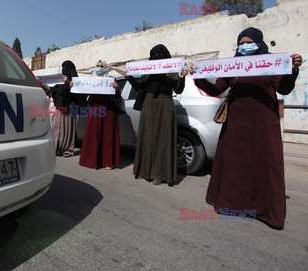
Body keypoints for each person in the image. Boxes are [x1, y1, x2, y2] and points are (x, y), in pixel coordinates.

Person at [189, 27, 303, 229]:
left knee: (264, 162)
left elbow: (284, 87)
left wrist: (292, 69)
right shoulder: (233, 65)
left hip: (263, 123)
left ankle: (265, 211)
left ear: (259, 43)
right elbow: (217, 88)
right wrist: (198, 77)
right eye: (240, 43)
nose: (244, 46)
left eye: (248, 42)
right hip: (236, 123)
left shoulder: (272, 62)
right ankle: (231, 205)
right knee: (235, 163)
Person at [126, 44, 187, 185]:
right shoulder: (147, 71)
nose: (156, 58)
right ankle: (144, 171)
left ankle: (159, 174)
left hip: (165, 103)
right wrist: (130, 77)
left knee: (162, 140)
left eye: (160, 56)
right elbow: (139, 86)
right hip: (148, 103)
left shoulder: (171, 70)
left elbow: (178, 89)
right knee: (146, 137)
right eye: (154, 55)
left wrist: (182, 77)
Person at [79, 60, 120, 170]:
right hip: (94, 109)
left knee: (107, 136)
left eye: (102, 66)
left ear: (105, 67)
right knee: (93, 133)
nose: (99, 67)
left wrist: (116, 88)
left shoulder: (111, 79)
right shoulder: (90, 80)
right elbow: (81, 92)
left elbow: (117, 96)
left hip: (108, 110)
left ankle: (108, 161)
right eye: (97, 65)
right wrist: (74, 85)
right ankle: (91, 160)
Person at [50, 60, 80, 157]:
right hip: (59, 108)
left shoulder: (75, 80)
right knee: (55, 127)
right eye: (63, 67)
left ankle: (67, 149)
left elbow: (77, 93)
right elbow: (54, 91)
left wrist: (68, 83)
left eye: (66, 68)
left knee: (67, 129)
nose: (64, 70)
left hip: (70, 108)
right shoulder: (59, 80)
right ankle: (53, 148)